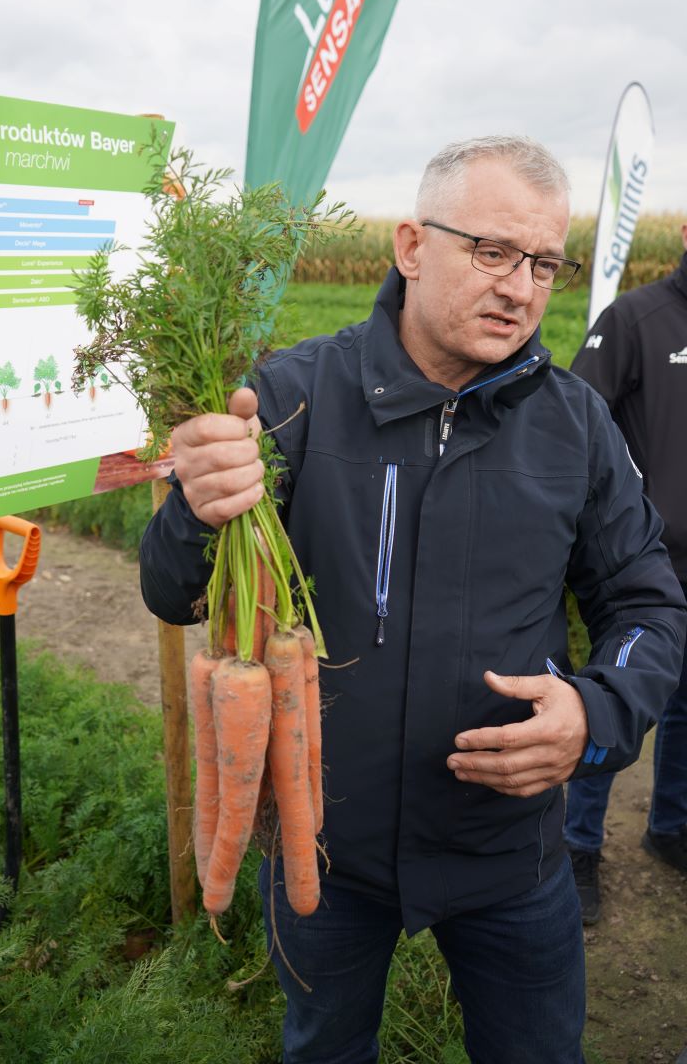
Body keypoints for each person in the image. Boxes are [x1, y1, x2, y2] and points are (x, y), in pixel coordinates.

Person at [140, 137, 686, 1064]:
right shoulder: (291, 396)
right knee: (323, 1046)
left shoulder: (574, 422)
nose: (520, 286)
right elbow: (172, 590)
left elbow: (649, 605)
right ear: (409, 247)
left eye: (544, 263)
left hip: (510, 853)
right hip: (324, 846)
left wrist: (593, 713)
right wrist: (198, 509)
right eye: (492, 251)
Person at [565, 223, 687, 925]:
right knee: (607, 704)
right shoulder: (637, 319)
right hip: (643, 565)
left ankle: (669, 826)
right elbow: (579, 422)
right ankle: (579, 845)